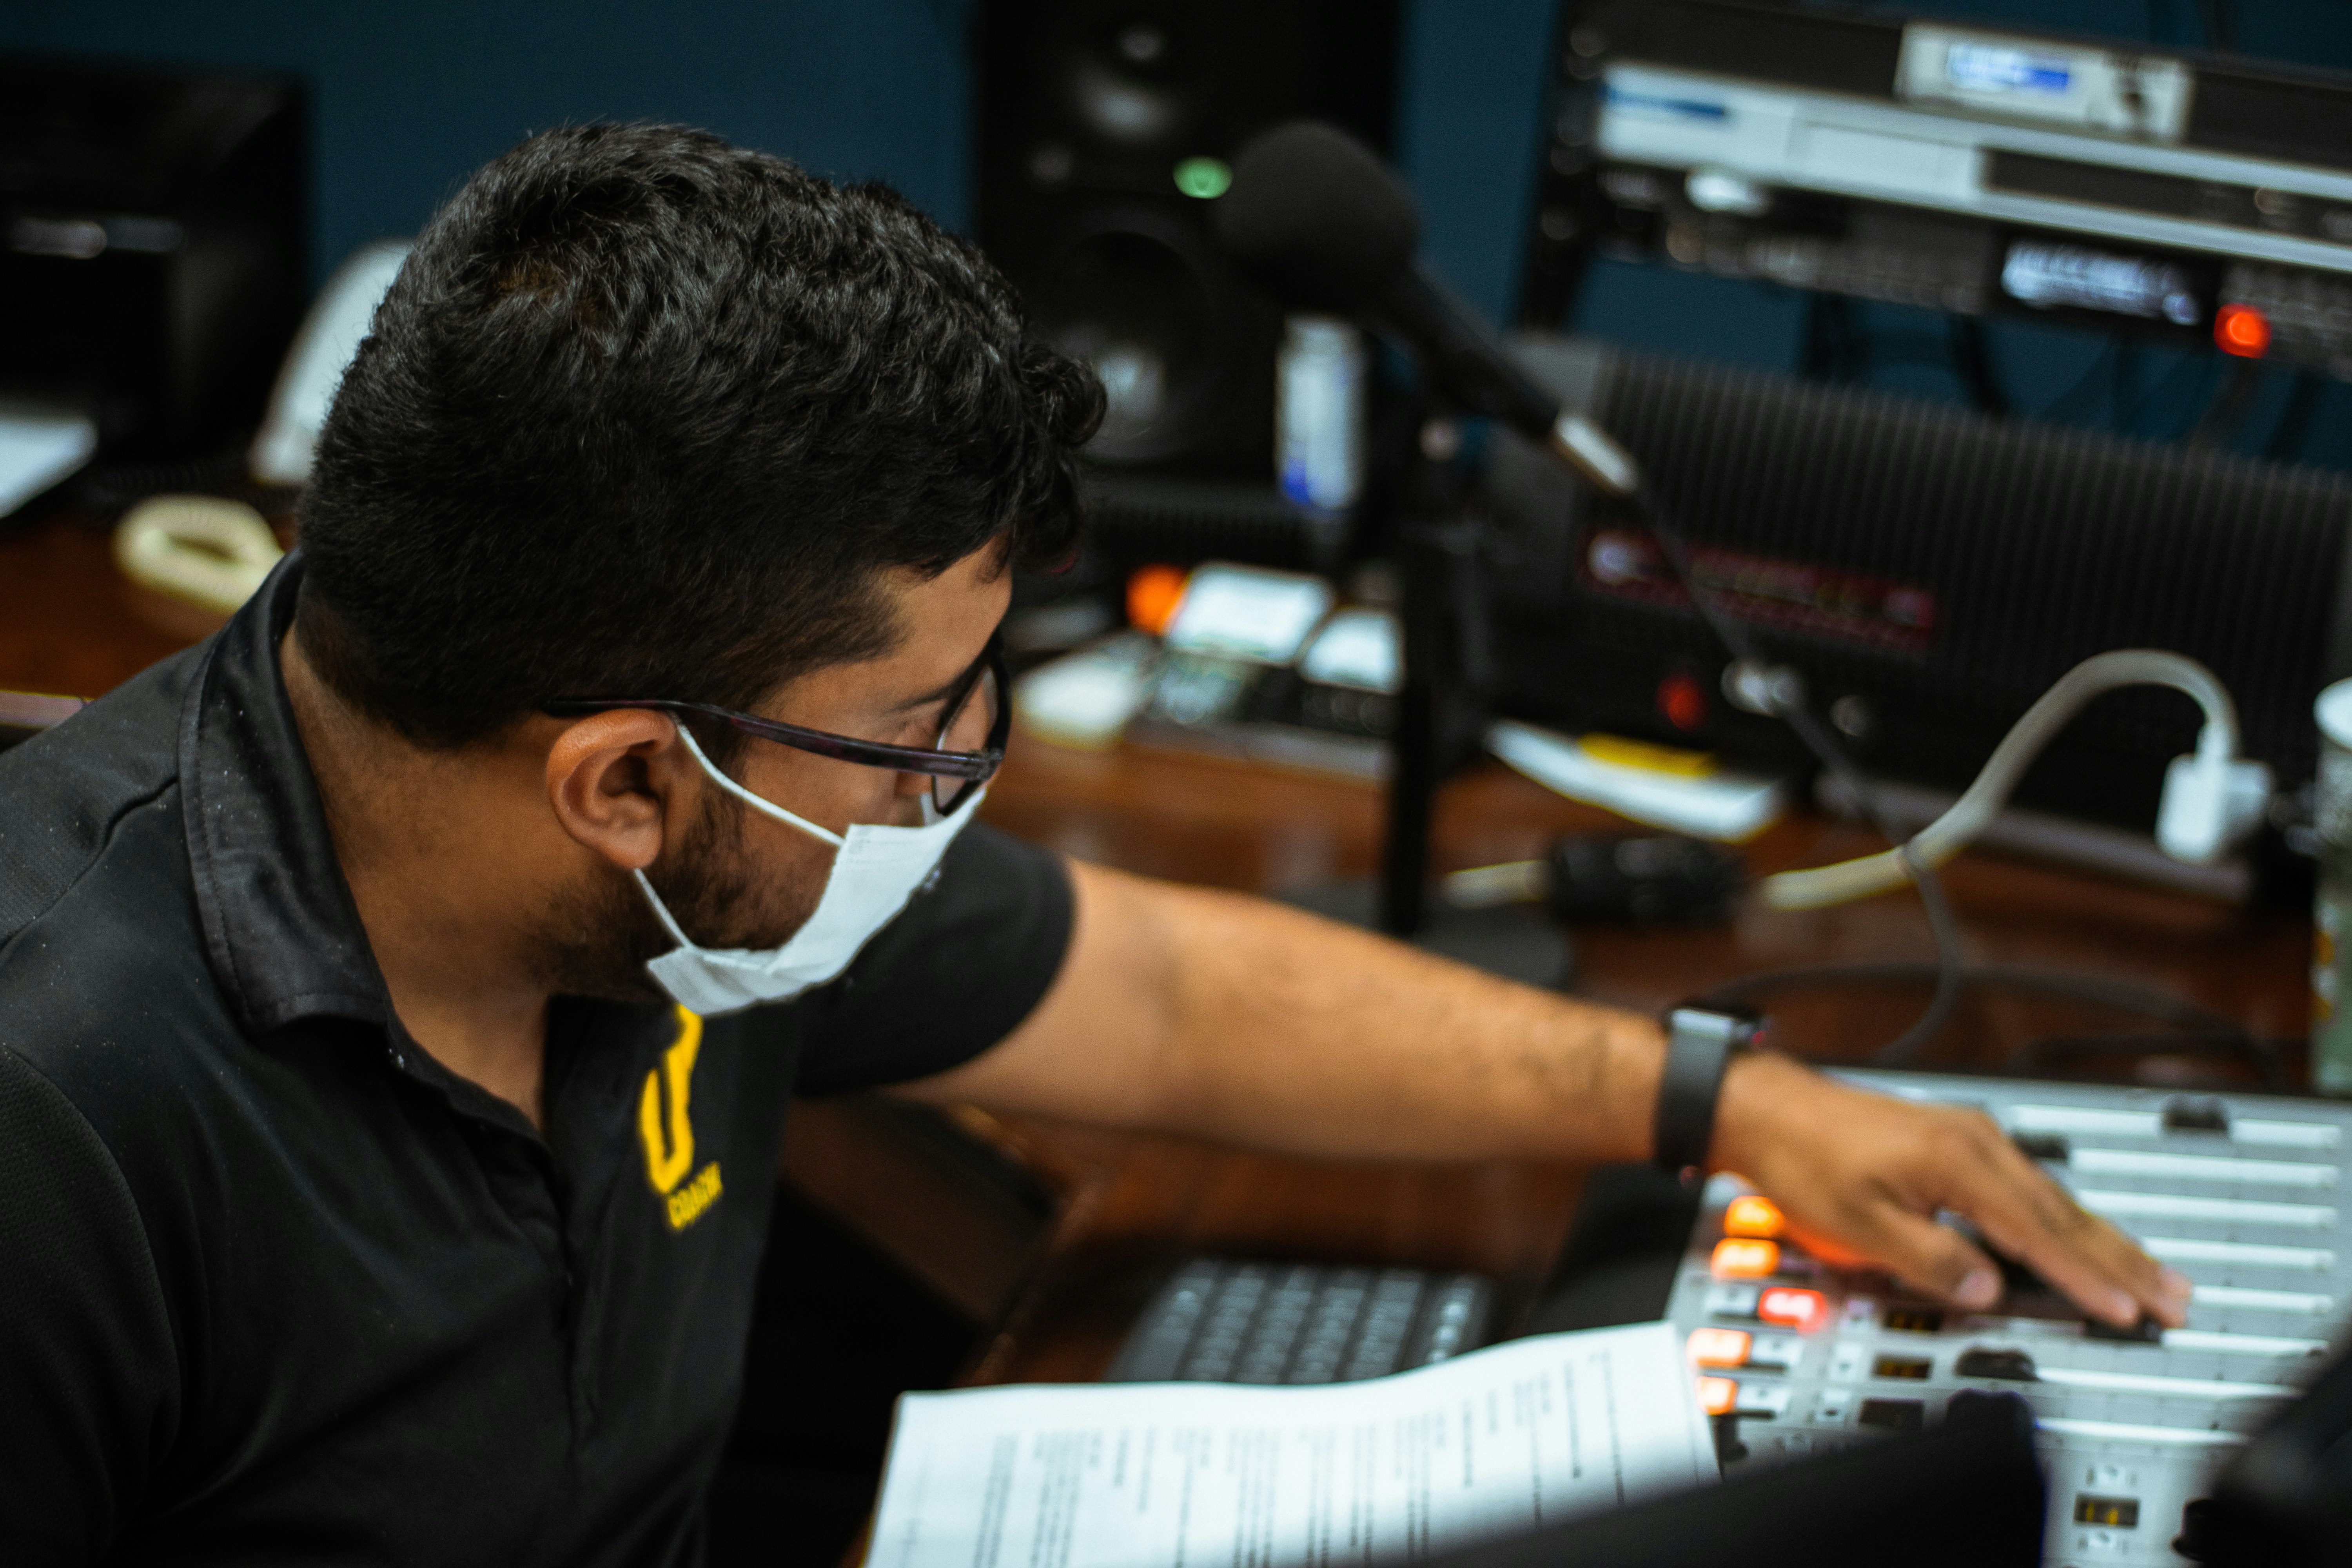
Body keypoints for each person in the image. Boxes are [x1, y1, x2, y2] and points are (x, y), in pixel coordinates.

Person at [0, 124, 2185, 1565]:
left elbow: (1146, 986)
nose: (967, 778)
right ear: (628, 784)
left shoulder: (681, 887)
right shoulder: (60, 1130)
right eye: (919, 728)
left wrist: (1725, 1099)